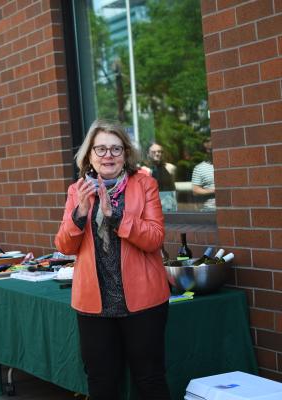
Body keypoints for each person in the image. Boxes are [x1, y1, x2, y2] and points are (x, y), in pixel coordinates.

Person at [55, 119, 171, 399]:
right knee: (101, 382)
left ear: (126, 154)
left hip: (143, 301)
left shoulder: (145, 184)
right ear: (90, 155)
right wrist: (80, 213)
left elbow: (155, 238)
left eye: (116, 149)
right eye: (101, 149)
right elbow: (64, 246)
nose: (108, 156)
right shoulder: (77, 191)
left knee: (150, 379)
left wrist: (116, 216)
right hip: (94, 304)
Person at [144, 143, 177, 212]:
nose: (157, 154)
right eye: (153, 152)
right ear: (148, 154)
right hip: (151, 206)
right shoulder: (143, 170)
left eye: (159, 151)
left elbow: (172, 187)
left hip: (168, 205)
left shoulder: (171, 168)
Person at [191, 138, 215, 211]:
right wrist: (213, 190)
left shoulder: (227, 165)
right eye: (208, 149)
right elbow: (195, 191)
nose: (210, 151)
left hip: (229, 208)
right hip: (209, 210)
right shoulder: (199, 168)